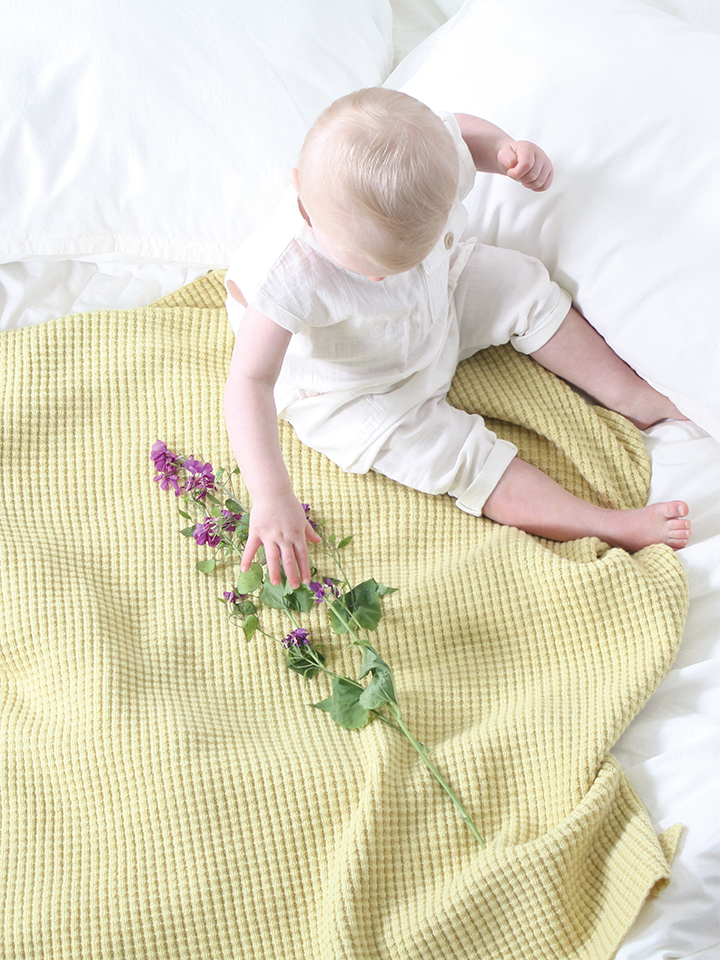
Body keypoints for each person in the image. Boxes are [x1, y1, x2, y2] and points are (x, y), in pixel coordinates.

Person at [224, 87, 690, 589]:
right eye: (368, 271)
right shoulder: (290, 274)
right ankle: (607, 524)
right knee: (459, 459)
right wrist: (271, 495)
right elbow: (249, 381)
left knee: (523, 285)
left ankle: (632, 396)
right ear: (300, 194)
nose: (378, 281)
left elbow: (461, 134)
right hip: (354, 386)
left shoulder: (426, 161)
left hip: (434, 296)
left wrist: (505, 151)